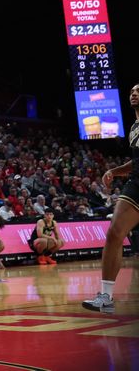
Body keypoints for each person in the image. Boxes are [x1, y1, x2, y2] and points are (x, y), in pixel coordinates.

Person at [83, 83, 139, 314]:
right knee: (115, 232)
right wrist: (115, 171)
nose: (134, 93)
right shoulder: (134, 127)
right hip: (136, 184)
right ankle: (105, 295)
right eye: (132, 91)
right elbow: (137, 162)